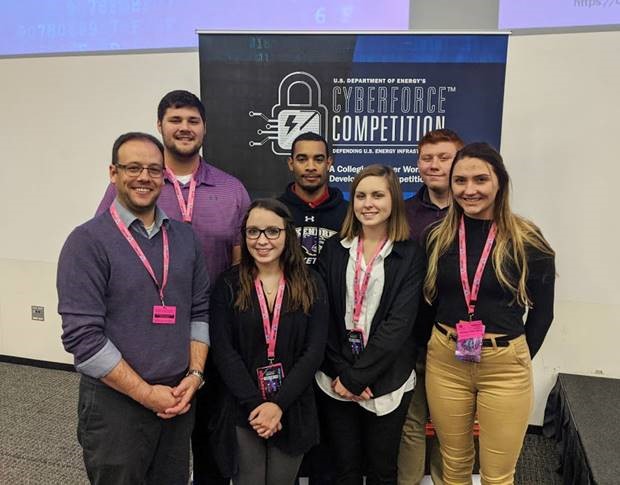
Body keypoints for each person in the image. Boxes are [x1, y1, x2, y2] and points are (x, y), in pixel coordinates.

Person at [96, 90, 250, 485]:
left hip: (210, 335)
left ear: (204, 129)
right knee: (147, 442)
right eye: (175, 120)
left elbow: (241, 264)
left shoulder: (232, 190)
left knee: (212, 440)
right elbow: (106, 244)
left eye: (193, 121)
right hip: (145, 340)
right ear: (160, 126)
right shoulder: (136, 185)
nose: (184, 128)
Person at [58, 132, 210, 485]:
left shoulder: (185, 238)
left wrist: (195, 376)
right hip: (116, 405)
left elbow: (199, 310)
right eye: (133, 167)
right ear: (113, 172)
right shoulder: (87, 242)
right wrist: (145, 394)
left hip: (177, 398)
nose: (145, 177)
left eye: (154, 170)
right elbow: (83, 338)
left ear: (165, 177)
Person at [423, 142, 555, 484]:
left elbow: (542, 315)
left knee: (497, 475)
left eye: (480, 179)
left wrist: (515, 356)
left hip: (504, 369)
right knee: (453, 465)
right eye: (460, 181)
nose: (470, 190)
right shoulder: (438, 237)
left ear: (500, 182)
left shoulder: (528, 240)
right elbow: (429, 304)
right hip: (446, 363)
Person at [316, 165, 426, 484]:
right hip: (335, 379)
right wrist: (343, 375)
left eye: (378, 195)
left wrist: (358, 376)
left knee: (381, 469)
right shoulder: (334, 249)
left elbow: (399, 325)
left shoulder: (410, 255)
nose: (368, 203)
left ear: (394, 200)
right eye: (361, 196)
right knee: (344, 468)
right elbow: (324, 317)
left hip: (386, 379)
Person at [209, 199, 328, 485]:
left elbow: (314, 352)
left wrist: (277, 405)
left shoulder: (311, 283)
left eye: (272, 231)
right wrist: (256, 405)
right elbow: (224, 351)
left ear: (288, 235)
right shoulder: (227, 285)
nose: (262, 240)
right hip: (243, 406)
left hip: (292, 405)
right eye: (253, 232)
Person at [399, 128, 464, 485]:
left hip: (458, 339)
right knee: (412, 420)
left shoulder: (476, 211)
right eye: (427, 158)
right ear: (418, 163)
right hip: (412, 336)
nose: (435, 165)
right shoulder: (403, 213)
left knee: (451, 424)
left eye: (445, 157)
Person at [278, 131, 348, 266]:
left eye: (319, 159)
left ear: (328, 163)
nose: (310, 167)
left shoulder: (349, 213)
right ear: (291, 163)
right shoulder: (275, 211)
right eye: (302, 159)